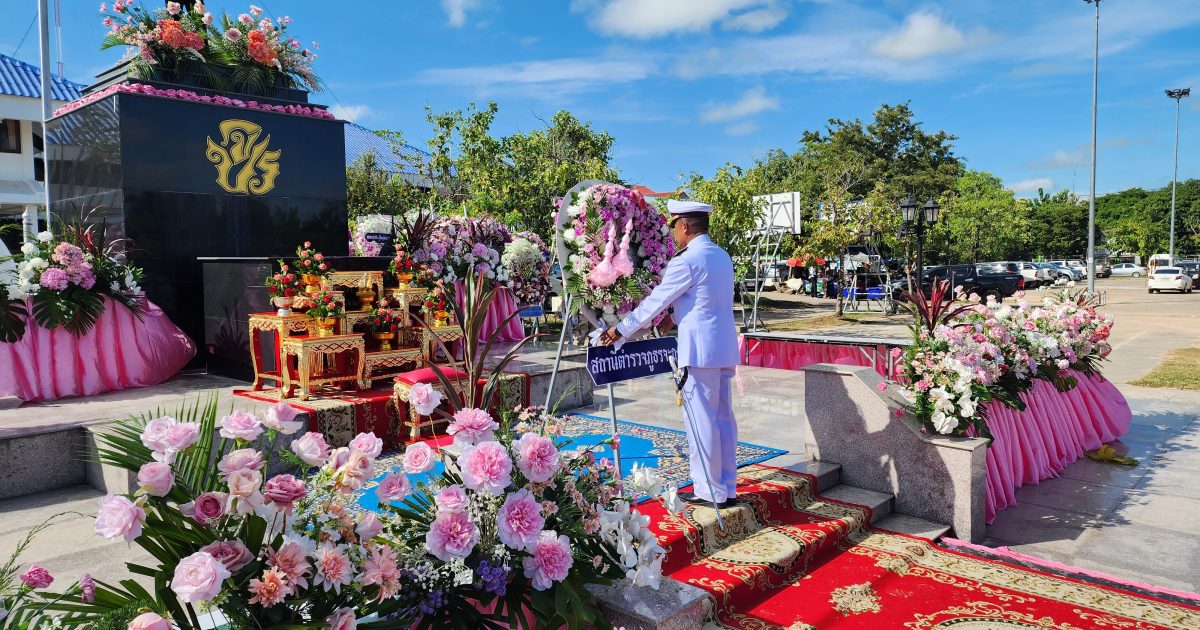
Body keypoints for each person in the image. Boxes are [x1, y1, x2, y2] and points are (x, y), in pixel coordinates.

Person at [598, 199, 740, 508]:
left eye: (675, 226)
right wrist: (673, 318)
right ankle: (727, 487)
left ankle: (709, 491)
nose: (674, 233)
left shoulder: (686, 260)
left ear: (685, 226)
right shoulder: (721, 255)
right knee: (722, 419)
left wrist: (621, 328)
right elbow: (702, 299)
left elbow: (656, 302)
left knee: (701, 421)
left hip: (698, 351)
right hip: (723, 347)